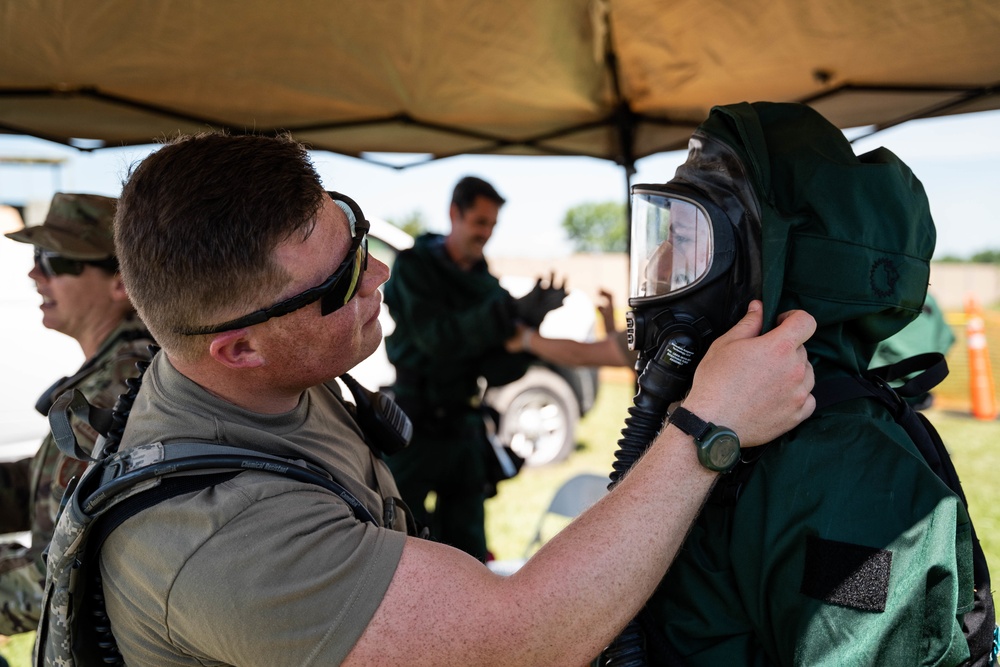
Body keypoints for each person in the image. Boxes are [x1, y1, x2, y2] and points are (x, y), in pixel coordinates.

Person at [94, 132, 816, 667]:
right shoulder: (226, 540)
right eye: (340, 284)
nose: (377, 273)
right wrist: (707, 428)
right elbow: (519, 640)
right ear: (238, 348)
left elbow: (520, 351)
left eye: (356, 235)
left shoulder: (262, 378)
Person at [622, 102, 985, 665]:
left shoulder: (847, 476)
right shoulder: (730, 431)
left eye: (689, 238)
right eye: (665, 234)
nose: (665, 260)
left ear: (771, 263)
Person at [382, 176, 568, 560]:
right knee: (402, 542)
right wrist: (506, 313)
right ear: (455, 214)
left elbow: (498, 371)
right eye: (479, 222)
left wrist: (530, 327)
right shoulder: (415, 268)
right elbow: (436, 337)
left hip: (463, 428)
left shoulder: (487, 287)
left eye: (492, 225)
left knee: (467, 548)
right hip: (414, 426)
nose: (486, 233)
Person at [0, 193, 154, 635]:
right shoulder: (118, 370)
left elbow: (60, 579)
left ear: (121, 282)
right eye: (36, 256)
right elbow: (58, 485)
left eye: (55, 260)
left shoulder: (124, 385)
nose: (35, 274)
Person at [507, 288, 639, 369]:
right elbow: (627, 354)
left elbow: (580, 355)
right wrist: (610, 325)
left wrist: (525, 338)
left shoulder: (655, 328)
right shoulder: (654, 328)